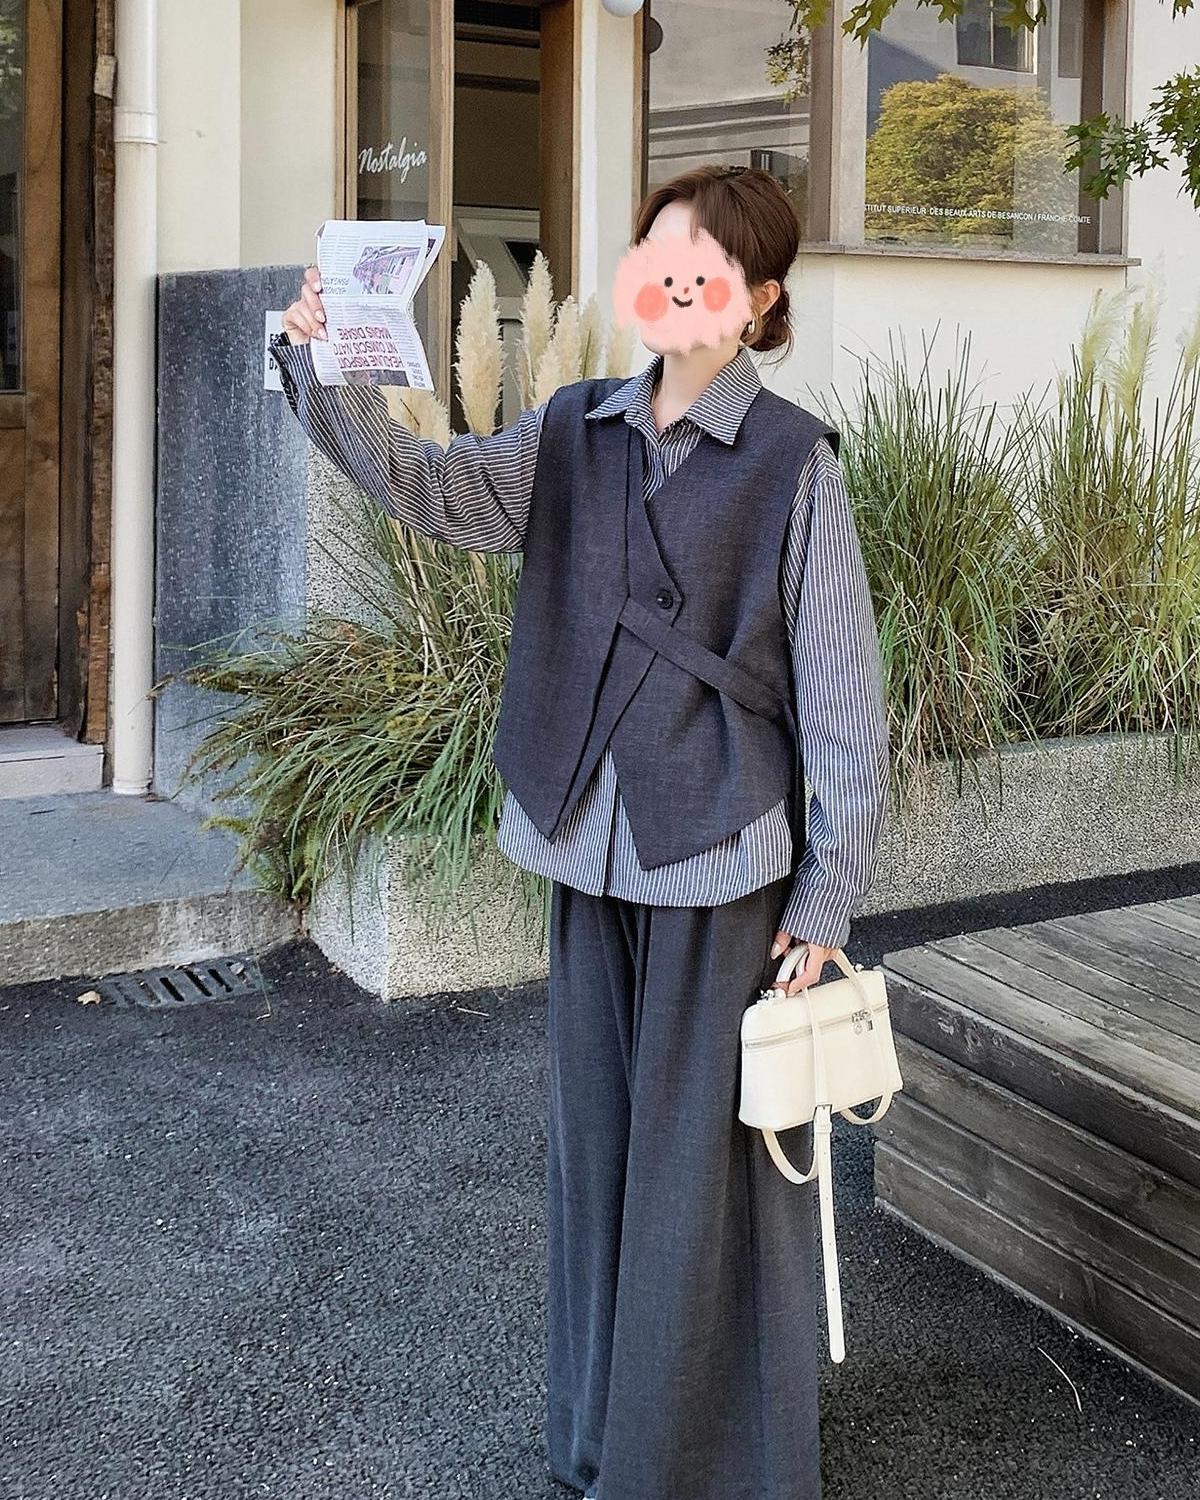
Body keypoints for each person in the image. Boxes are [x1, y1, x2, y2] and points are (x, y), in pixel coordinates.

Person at [273, 164, 891, 1500]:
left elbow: (846, 707)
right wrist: (321, 368)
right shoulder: (572, 429)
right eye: (657, 253)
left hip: (719, 854)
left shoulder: (794, 465)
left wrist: (823, 906)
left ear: (759, 299)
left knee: (699, 1173)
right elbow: (431, 490)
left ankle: (705, 1464)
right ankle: (606, 1440)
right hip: (584, 835)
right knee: (599, 1161)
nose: (672, 278)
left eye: (703, 263)